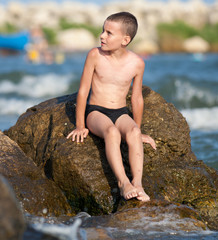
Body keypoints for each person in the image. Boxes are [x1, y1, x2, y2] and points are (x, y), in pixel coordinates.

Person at [66, 12, 156, 202]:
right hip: (96, 111)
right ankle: (123, 182)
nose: (102, 36)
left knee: (132, 132)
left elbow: (137, 98)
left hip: (121, 112)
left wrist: (138, 128)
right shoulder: (95, 55)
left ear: (125, 39)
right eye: (102, 31)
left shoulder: (137, 63)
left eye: (109, 33)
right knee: (112, 132)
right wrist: (80, 125)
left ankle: (138, 183)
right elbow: (83, 91)